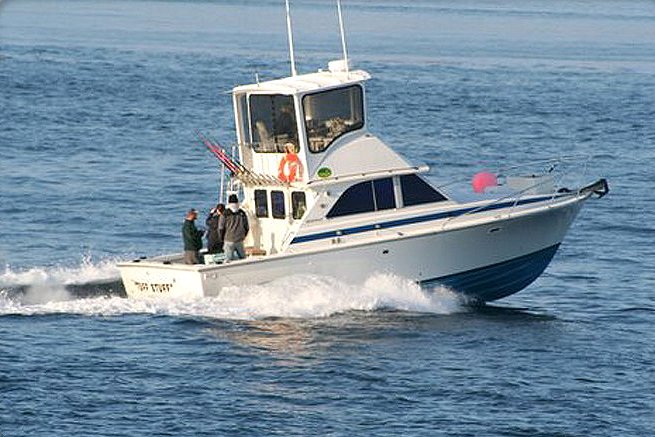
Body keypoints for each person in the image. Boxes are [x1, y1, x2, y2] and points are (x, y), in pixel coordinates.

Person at [219, 194, 249, 261]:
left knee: (228, 259)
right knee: (243, 258)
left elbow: (221, 228)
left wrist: (222, 238)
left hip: (228, 239)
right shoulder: (242, 213)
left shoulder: (225, 214)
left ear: (229, 202)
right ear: (237, 202)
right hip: (240, 239)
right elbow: (246, 227)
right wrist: (243, 235)